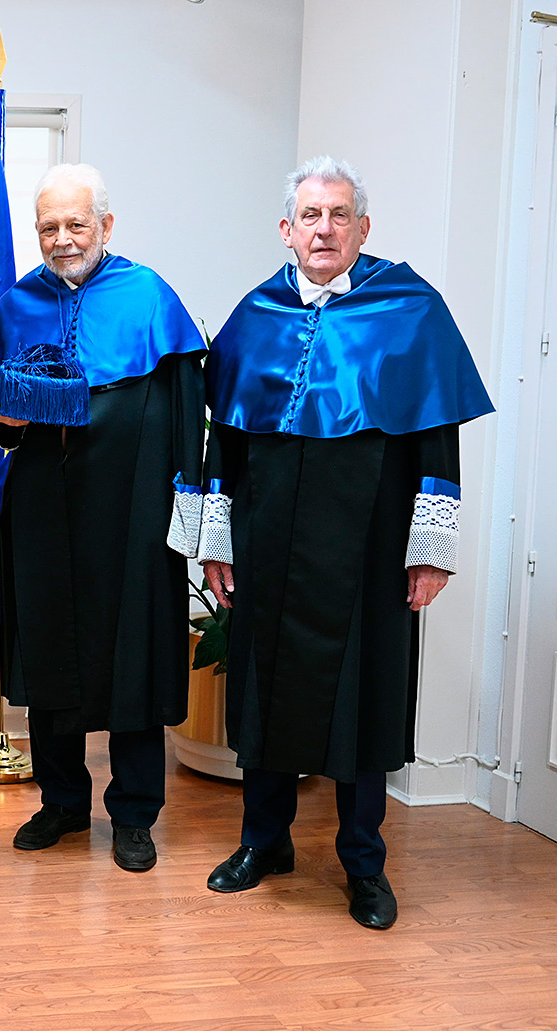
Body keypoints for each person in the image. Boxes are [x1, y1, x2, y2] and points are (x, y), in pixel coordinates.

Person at [199, 157, 493, 929]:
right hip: (268, 539)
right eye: (310, 215)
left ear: (363, 228)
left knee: (365, 700)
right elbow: (225, 440)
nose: (324, 228)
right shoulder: (255, 315)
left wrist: (430, 548)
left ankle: (364, 862)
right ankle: (263, 842)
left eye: (339, 215)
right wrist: (217, 539)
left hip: (369, 547)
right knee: (263, 689)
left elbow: (437, 438)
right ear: (287, 230)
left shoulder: (410, 310)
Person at [0, 164, 207, 872]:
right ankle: (63, 802)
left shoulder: (148, 295)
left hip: (133, 511)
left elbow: (186, 411)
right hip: (43, 507)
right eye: (49, 227)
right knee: (51, 650)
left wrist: (189, 510)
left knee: (133, 654)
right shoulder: (15, 303)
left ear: (106, 225)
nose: (63, 239)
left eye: (76, 224)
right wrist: (3, 423)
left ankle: (134, 813)